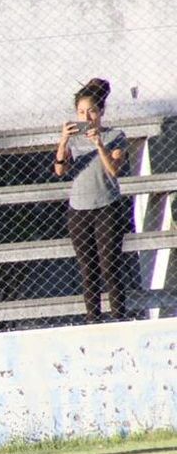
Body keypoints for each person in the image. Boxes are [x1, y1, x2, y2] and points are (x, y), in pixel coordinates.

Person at [54, 77, 131, 322]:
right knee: (88, 270)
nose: (86, 118)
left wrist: (99, 145)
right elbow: (60, 170)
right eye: (81, 112)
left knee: (110, 267)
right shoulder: (74, 139)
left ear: (101, 112)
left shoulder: (116, 136)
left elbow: (114, 170)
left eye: (91, 111)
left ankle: (118, 318)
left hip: (107, 207)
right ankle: (93, 320)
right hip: (79, 209)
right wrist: (63, 140)